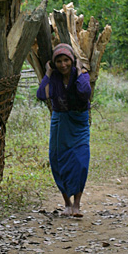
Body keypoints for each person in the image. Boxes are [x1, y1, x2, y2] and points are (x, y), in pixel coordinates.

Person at [36, 43, 91, 217]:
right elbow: (41, 95)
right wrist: (48, 73)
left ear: (72, 60)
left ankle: (77, 205)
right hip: (60, 121)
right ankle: (67, 204)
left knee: (81, 161)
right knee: (58, 160)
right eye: (58, 61)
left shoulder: (81, 75)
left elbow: (84, 91)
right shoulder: (54, 78)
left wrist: (79, 68)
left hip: (79, 122)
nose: (63, 64)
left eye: (66, 60)